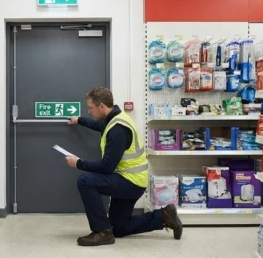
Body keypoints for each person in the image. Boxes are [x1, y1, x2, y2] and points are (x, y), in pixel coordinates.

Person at [64, 87, 182, 246]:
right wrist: (79, 120)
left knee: (85, 181)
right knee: (119, 227)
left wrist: (78, 163)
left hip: (130, 182)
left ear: (101, 107)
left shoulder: (118, 129)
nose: (89, 111)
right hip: (130, 179)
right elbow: (98, 125)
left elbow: (107, 167)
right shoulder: (114, 118)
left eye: (90, 108)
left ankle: (102, 232)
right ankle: (163, 217)